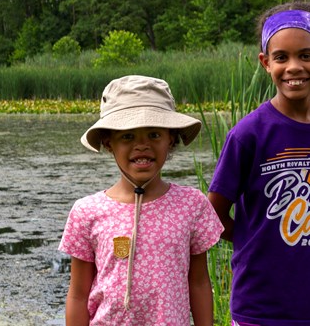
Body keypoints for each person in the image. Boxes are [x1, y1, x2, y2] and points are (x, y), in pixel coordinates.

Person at [207, 1, 310, 326]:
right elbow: (212, 215)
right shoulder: (248, 133)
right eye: (281, 57)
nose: (294, 67)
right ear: (265, 63)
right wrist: (255, 237)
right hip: (260, 307)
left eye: (306, 55)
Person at [58, 75, 224, 325]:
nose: (142, 145)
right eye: (127, 136)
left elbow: (199, 283)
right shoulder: (87, 211)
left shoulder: (191, 204)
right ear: (108, 142)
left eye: (154, 134)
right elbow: (78, 295)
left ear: (171, 139)